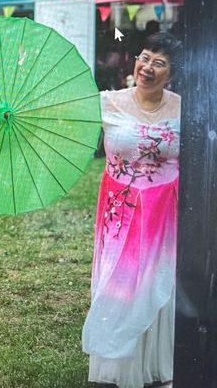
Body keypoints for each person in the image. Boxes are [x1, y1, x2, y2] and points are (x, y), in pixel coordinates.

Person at [82, 33, 182, 388]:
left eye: (159, 62)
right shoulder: (107, 102)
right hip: (119, 211)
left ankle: (156, 366)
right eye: (144, 58)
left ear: (171, 72)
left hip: (165, 215)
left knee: (159, 282)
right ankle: (117, 368)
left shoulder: (185, 107)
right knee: (119, 283)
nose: (147, 67)